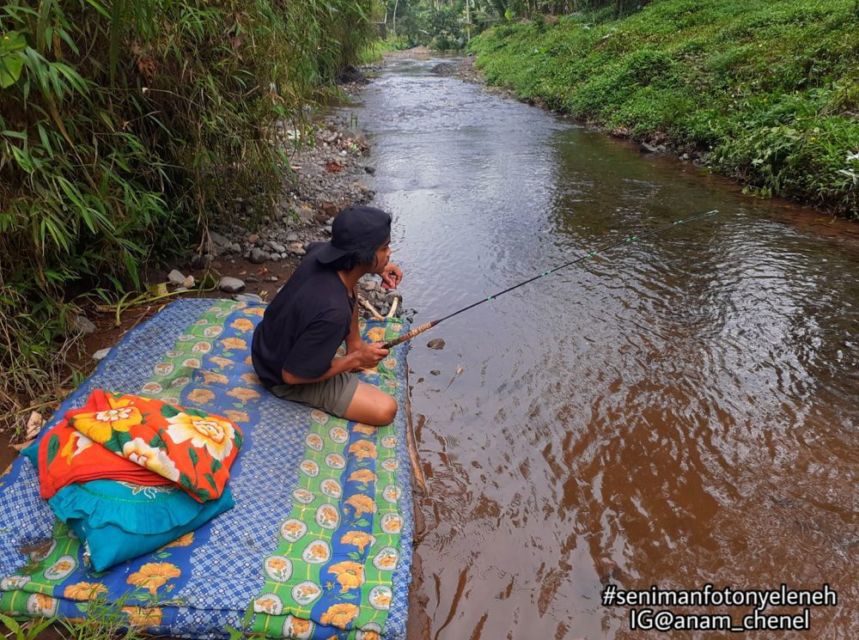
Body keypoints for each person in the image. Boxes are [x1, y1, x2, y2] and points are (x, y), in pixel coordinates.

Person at [251, 205, 404, 426]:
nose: (389, 253)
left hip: (265, 346)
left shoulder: (322, 254)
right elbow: (291, 376)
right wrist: (355, 360)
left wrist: (380, 267)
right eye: (384, 248)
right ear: (365, 256)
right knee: (385, 410)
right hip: (279, 376)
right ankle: (353, 351)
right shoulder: (334, 313)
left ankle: (354, 343)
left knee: (345, 300)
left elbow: (350, 274)